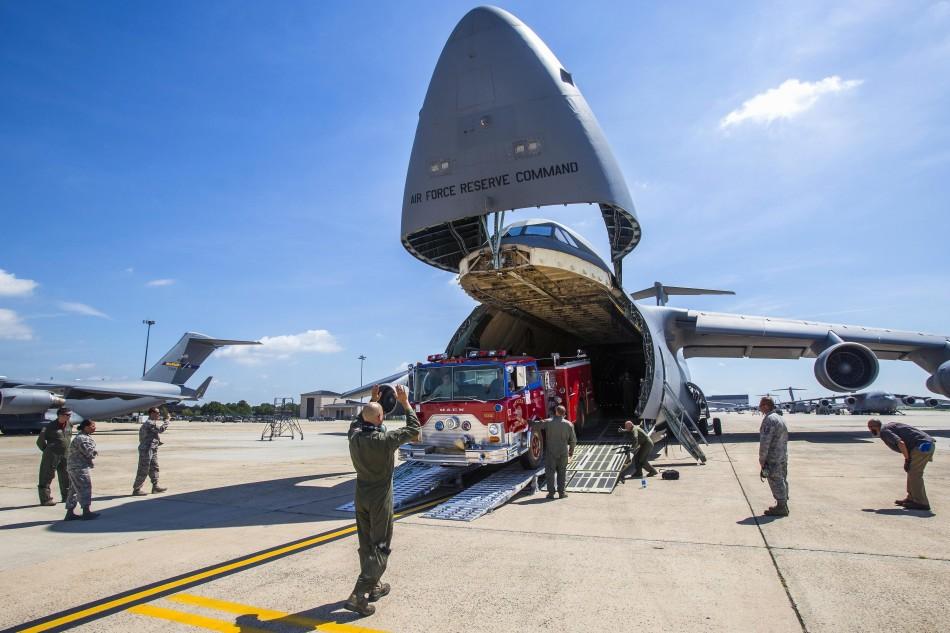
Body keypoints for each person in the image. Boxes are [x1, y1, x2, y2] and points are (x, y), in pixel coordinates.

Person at [344, 384, 420, 617]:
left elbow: (358, 421)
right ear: (380, 418)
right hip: (380, 498)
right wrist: (405, 403)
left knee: (366, 543)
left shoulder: (354, 436)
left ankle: (374, 585)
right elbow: (414, 429)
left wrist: (373, 401)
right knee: (381, 547)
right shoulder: (385, 440)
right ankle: (359, 594)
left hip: (361, 496)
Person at [868, 418, 936, 511]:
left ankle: (921, 502)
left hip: (921, 446)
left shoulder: (884, 431)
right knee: (911, 472)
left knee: (915, 474)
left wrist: (907, 459)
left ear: (873, 427)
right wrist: (907, 459)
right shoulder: (890, 426)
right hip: (924, 444)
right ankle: (911, 498)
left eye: (870, 428)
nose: (870, 430)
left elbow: (900, 443)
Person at [529, 405, 577, 499]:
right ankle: (562, 493)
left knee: (550, 473)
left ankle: (551, 493)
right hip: (563, 452)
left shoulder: (549, 422)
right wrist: (571, 451)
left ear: (556, 412)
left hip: (551, 453)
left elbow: (535, 424)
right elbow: (573, 440)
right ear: (564, 413)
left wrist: (526, 420)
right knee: (562, 472)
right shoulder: (569, 424)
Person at [758, 396, 789, 517]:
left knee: (776, 480)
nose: (759, 407)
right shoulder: (779, 418)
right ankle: (784, 504)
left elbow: (765, 442)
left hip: (773, 457)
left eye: (761, 405)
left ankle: (781, 507)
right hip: (782, 455)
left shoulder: (769, 420)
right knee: (782, 479)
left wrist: (762, 459)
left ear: (766, 406)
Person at [36, 407, 74, 506]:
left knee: (66, 476)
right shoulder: (49, 426)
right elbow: (40, 442)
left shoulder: (69, 424)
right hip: (52, 455)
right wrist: (47, 451)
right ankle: (46, 499)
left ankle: (66, 497)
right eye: (67, 415)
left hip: (65, 454)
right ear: (60, 415)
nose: (69, 417)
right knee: (46, 476)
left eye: (70, 415)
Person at [64, 419, 99, 520]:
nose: (94, 428)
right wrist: (95, 452)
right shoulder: (83, 438)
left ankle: (70, 512)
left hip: (74, 467)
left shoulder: (81, 436)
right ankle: (86, 511)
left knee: (74, 489)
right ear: (86, 427)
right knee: (85, 488)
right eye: (92, 426)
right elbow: (89, 453)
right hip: (79, 468)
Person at [133, 407, 169, 495]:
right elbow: (161, 429)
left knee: (154, 467)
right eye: (157, 413)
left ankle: (155, 487)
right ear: (152, 413)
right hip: (147, 449)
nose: (159, 414)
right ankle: (137, 489)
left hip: (152, 449)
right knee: (143, 469)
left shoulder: (152, 423)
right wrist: (167, 421)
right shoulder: (150, 423)